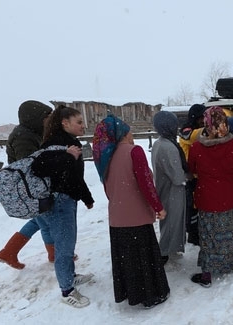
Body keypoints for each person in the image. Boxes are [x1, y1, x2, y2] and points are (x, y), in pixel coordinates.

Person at [93, 114, 170, 308]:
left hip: (117, 218)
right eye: (130, 132)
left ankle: (130, 293)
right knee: (145, 259)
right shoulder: (134, 151)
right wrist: (158, 207)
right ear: (123, 134)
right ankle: (151, 295)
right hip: (136, 217)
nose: (132, 136)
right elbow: (145, 183)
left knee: (127, 260)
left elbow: (107, 188)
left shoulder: (105, 156)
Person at [31, 105, 95, 308]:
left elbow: (74, 176)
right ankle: (66, 290)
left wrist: (86, 197)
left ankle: (71, 276)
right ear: (64, 123)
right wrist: (67, 156)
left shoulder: (70, 142)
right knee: (64, 246)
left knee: (68, 242)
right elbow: (38, 167)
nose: (82, 126)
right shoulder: (54, 144)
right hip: (59, 202)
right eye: (78, 122)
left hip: (68, 199)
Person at [187, 107, 233, 288]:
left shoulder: (197, 147)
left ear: (206, 123)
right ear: (225, 122)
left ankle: (207, 274)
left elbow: (192, 170)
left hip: (207, 199)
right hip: (230, 198)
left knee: (208, 237)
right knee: (230, 233)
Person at [0, 100, 60, 270]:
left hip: (34, 186)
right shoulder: (23, 137)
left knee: (40, 219)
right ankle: (54, 254)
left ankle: (9, 251)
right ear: (36, 118)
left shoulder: (33, 132)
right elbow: (29, 163)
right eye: (47, 117)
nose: (50, 120)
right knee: (44, 220)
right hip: (29, 187)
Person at [151, 111, 188, 265]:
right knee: (172, 221)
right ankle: (164, 252)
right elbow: (178, 177)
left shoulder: (159, 142)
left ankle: (169, 249)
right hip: (173, 190)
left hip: (163, 187)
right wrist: (188, 176)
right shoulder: (169, 147)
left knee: (168, 222)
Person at [178, 104, 207, 246]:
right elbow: (192, 136)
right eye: (202, 117)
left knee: (199, 204)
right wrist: (211, 127)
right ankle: (193, 234)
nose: (204, 120)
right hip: (190, 174)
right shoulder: (186, 129)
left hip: (200, 174)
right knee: (192, 206)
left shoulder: (198, 129)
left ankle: (197, 231)